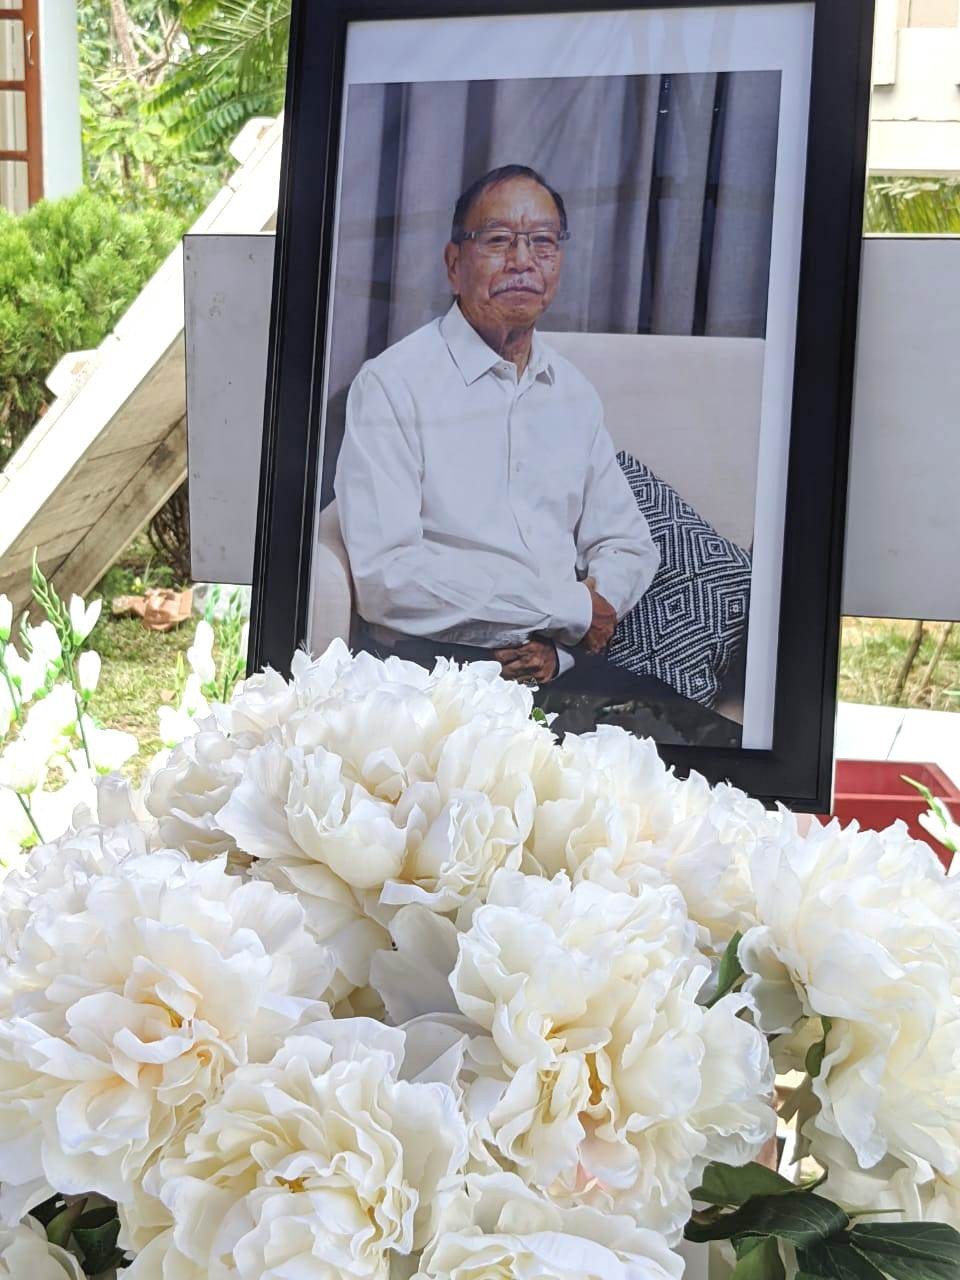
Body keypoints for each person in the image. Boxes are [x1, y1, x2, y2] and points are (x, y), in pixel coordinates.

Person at [334, 163, 673, 697]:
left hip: (559, 667)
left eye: (542, 242)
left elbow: (627, 542)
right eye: (498, 240)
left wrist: (564, 645)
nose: (522, 262)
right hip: (437, 674)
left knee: (700, 767)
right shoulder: (392, 385)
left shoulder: (572, 392)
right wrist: (566, 610)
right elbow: (386, 579)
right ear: (454, 264)